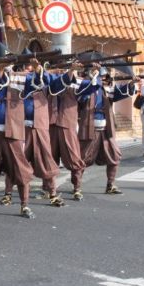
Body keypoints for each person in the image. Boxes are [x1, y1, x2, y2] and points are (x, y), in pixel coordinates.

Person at [0, 51, 72, 208]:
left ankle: (52, 193)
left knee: (46, 159)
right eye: (28, 64)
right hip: (19, 126)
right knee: (15, 161)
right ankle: (8, 194)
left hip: (39, 125)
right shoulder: (13, 77)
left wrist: (70, 71)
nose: (30, 67)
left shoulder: (42, 76)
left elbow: (56, 84)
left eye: (32, 65)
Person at [0, 42, 39, 219]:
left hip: (12, 132)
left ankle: (24, 205)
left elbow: (37, 83)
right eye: (0, 62)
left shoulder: (19, 78)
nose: (5, 65)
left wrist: (37, 70)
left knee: (21, 169)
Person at [77, 67, 138, 196]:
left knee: (114, 156)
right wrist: (94, 81)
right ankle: (77, 187)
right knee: (82, 158)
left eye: (105, 77)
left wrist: (131, 84)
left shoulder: (107, 88)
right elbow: (81, 98)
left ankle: (110, 185)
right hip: (89, 127)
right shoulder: (85, 85)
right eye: (102, 77)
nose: (104, 79)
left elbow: (118, 95)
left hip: (106, 128)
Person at [48, 62, 95, 202]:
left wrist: (94, 74)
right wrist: (57, 70)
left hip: (67, 122)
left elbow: (89, 89)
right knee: (50, 158)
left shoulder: (78, 81)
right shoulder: (50, 77)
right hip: (50, 122)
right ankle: (50, 190)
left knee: (74, 157)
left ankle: (77, 188)